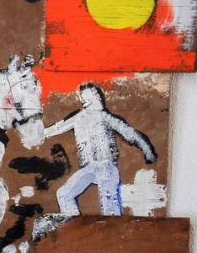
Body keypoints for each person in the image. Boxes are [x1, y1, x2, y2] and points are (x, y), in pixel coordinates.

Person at [44, 83, 157, 215]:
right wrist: (40, 133)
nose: (81, 99)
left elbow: (130, 133)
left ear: (94, 96)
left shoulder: (105, 117)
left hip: (106, 166)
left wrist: (147, 150)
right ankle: (73, 220)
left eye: (83, 96)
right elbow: (57, 128)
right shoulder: (79, 118)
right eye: (80, 96)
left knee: (110, 209)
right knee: (64, 194)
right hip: (90, 167)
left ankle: (110, 224)